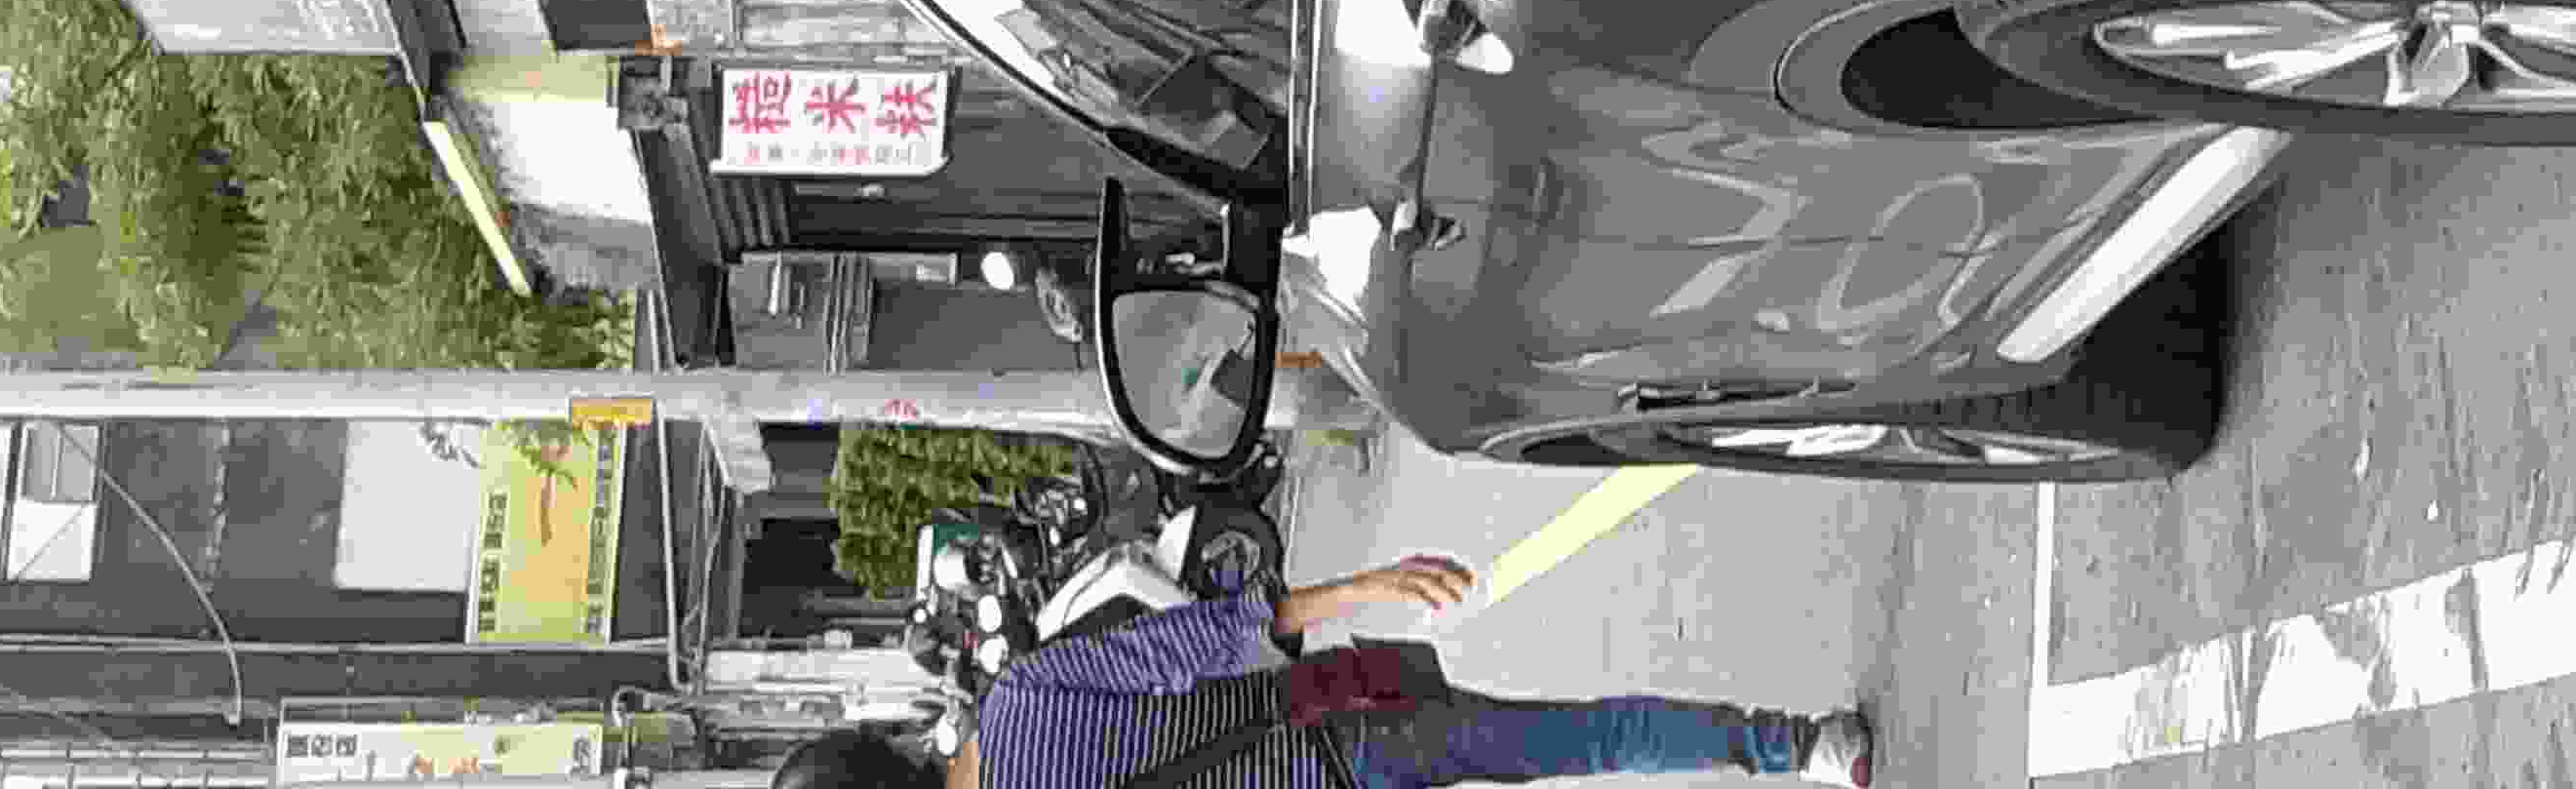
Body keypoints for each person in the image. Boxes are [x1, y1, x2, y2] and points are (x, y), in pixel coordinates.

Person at [768, 553, 1877, 788]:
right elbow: (1191, 642)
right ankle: (1800, 747)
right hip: (1346, 728)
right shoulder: (1018, 701)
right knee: (1582, 737)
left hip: (1340, 756)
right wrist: (1366, 587)